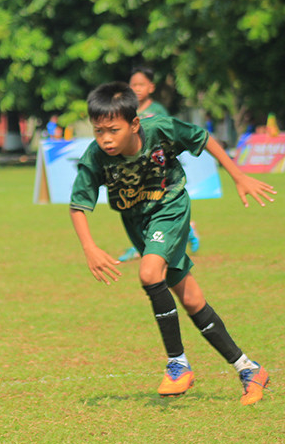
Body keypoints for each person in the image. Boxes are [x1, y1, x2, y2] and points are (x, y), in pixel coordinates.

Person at [69, 81, 276, 405]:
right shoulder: (96, 156)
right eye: (98, 131)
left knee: (150, 274)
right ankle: (249, 369)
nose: (105, 139)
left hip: (171, 208)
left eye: (113, 130)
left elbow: (203, 137)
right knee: (192, 300)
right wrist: (89, 248)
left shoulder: (161, 130)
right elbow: (78, 204)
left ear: (134, 124)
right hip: (138, 223)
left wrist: (238, 175)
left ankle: (177, 363)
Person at [119, 65, 201, 261]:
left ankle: (181, 231)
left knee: (152, 206)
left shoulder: (158, 110)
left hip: (157, 168)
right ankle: (145, 244)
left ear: (151, 87)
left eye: (141, 85)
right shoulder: (128, 110)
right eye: (133, 85)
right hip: (136, 169)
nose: (136, 88)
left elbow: (168, 135)